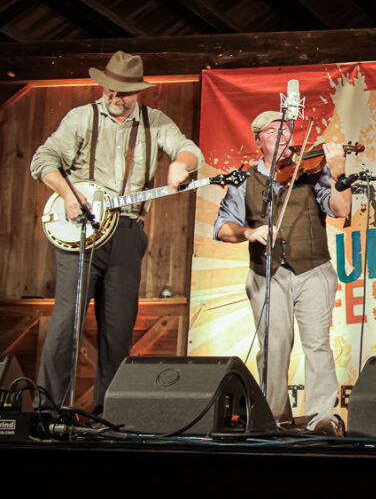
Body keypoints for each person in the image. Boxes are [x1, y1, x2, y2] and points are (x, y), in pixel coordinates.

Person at [30, 51, 204, 413]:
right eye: (109, 90)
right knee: (66, 324)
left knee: (118, 330)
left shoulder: (153, 121)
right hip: (79, 231)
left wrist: (180, 167)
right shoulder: (81, 118)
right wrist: (67, 193)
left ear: (138, 92)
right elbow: (42, 161)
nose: (114, 97)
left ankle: (106, 417)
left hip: (125, 230)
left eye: (122, 92)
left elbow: (189, 150)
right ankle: (46, 413)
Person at [213, 110, 351, 435]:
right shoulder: (245, 180)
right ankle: (272, 418)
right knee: (273, 347)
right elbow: (222, 227)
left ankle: (323, 419)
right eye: (274, 133)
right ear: (258, 140)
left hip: (313, 269)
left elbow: (341, 209)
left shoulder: (312, 171)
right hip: (266, 274)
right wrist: (249, 233)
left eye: (287, 131)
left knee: (317, 345)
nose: (283, 138)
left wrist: (340, 171)